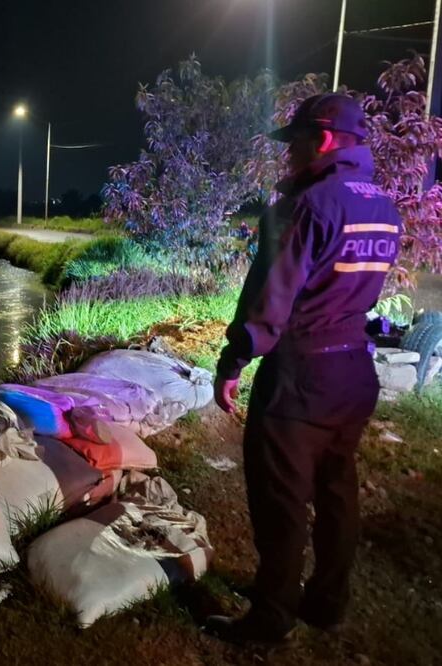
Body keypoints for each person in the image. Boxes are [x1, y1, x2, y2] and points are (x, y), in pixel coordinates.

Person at [206, 93, 403, 644]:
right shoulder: (385, 207)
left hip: (300, 378)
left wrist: (235, 358)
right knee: (338, 490)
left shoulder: (305, 205)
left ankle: (270, 616)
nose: (288, 156)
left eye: (294, 143)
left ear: (323, 139)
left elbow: (270, 295)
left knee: (281, 499)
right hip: (353, 372)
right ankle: (328, 601)